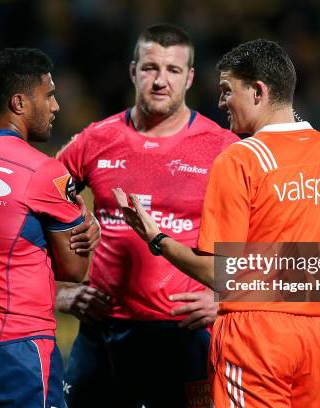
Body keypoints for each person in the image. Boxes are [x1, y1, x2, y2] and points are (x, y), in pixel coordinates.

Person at [114, 39, 320, 408]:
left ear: (258, 91)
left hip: (253, 337)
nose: (220, 103)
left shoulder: (240, 160)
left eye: (227, 90)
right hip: (314, 335)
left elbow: (220, 274)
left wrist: (156, 238)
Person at [56, 23, 239, 408]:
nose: (160, 81)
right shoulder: (95, 139)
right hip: (103, 332)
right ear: (132, 71)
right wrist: (59, 292)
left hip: (186, 334)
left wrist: (226, 300)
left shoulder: (224, 149)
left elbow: (266, 237)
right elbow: (33, 210)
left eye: (173, 70)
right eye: (150, 68)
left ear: (189, 78)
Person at [0, 48, 100, 408]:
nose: (56, 106)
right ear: (19, 103)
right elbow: (75, 269)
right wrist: (90, 231)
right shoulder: (42, 170)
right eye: (49, 95)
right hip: (16, 348)